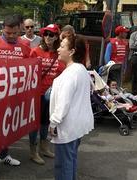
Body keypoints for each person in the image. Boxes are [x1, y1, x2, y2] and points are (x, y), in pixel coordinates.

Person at [0, 15, 30, 180]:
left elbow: (29, 69)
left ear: (19, 30)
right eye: (8, 33)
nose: (11, 36)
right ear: (3, 30)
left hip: (13, 95)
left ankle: (4, 155)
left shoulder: (24, 46)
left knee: (7, 128)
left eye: (14, 33)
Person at [49, 35, 94, 180]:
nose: (58, 49)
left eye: (62, 46)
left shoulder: (70, 75)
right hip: (77, 126)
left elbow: (63, 104)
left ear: (72, 51)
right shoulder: (80, 69)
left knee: (63, 165)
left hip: (68, 127)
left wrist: (53, 122)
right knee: (71, 160)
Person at [28, 24, 65, 165]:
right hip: (37, 93)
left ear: (57, 37)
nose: (48, 37)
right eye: (46, 34)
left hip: (52, 95)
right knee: (34, 124)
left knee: (45, 122)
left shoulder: (59, 53)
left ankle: (44, 147)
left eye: (52, 34)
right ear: (43, 36)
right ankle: (33, 151)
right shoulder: (35, 52)